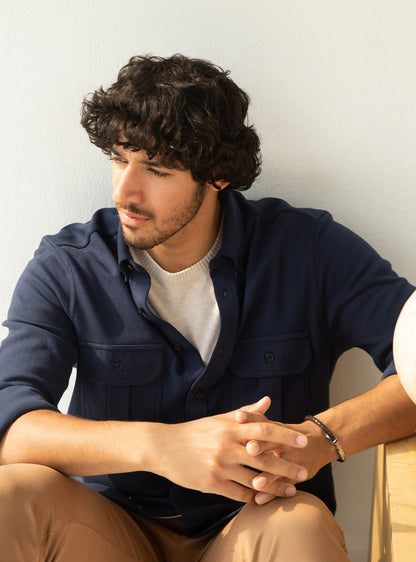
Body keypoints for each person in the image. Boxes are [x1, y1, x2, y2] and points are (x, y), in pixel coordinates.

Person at [0, 54, 414, 562]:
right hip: (106, 529)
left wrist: (323, 438)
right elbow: (10, 422)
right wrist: (160, 447)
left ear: (217, 173)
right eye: (119, 159)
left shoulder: (309, 250)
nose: (124, 191)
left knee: (301, 525)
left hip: (255, 523)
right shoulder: (69, 265)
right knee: (10, 495)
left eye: (156, 169)